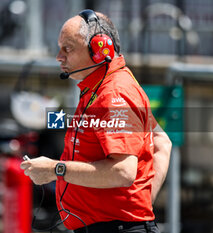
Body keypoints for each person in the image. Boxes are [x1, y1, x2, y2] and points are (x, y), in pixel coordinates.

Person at [21, 9, 171, 233]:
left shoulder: (114, 94)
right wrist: (140, 206)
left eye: (68, 49)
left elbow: (123, 171)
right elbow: (162, 143)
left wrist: (55, 169)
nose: (59, 57)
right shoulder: (101, 87)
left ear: (101, 50)